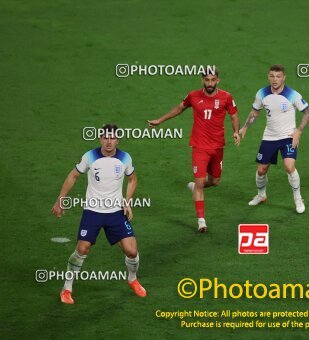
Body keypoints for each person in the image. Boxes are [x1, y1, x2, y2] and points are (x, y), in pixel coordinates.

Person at [51, 124, 146, 304]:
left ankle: (132, 279)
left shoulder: (125, 158)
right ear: (100, 139)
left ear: (118, 140)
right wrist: (60, 200)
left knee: (131, 251)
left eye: (112, 138)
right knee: (82, 249)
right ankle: (67, 288)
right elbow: (73, 176)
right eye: (105, 138)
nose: (109, 142)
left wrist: (127, 201)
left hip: (116, 212)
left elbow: (132, 179)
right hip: (93, 211)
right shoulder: (90, 156)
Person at [148, 69, 240, 232]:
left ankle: (195, 187)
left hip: (218, 146)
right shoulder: (193, 96)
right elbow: (179, 108)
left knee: (215, 181)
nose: (210, 83)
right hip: (199, 147)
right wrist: (160, 120)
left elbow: (233, 115)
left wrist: (235, 131)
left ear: (218, 80)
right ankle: (201, 221)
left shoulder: (227, 97)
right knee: (199, 182)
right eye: (206, 80)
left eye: (213, 80)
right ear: (202, 80)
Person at [239, 64, 309, 213]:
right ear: (268, 76)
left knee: (289, 167)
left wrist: (298, 131)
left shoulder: (292, 94)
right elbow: (255, 113)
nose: (275, 79)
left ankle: (298, 199)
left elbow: (308, 112)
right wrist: (245, 127)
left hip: (288, 137)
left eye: (278, 76)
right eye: (272, 76)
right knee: (261, 170)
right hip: (269, 137)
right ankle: (261, 195)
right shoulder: (262, 93)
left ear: (283, 78)